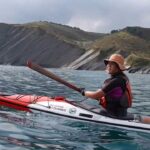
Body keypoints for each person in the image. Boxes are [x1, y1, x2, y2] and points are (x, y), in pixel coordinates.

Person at [81, 54, 132, 119]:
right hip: (121, 113)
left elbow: (96, 95)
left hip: (113, 114)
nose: (109, 66)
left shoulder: (116, 81)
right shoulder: (122, 78)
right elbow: (112, 96)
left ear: (118, 67)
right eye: (108, 64)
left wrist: (84, 92)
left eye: (112, 64)